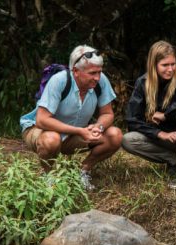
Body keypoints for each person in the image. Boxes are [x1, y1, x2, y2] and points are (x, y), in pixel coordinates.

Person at [19, 45, 123, 191]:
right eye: (92, 73)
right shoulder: (59, 81)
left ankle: (82, 171)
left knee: (115, 135)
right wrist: (80, 131)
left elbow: (107, 113)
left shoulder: (100, 81)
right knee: (51, 139)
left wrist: (98, 127)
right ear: (75, 71)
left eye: (99, 72)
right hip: (39, 130)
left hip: (74, 134)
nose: (97, 78)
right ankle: (48, 176)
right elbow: (42, 120)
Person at [122, 40, 176, 188]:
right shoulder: (142, 83)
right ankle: (175, 160)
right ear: (153, 65)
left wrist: (165, 115)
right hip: (166, 139)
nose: (170, 69)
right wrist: (159, 134)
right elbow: (132, 120)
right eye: (165, 65)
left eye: (173, 64)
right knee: (127, 140)